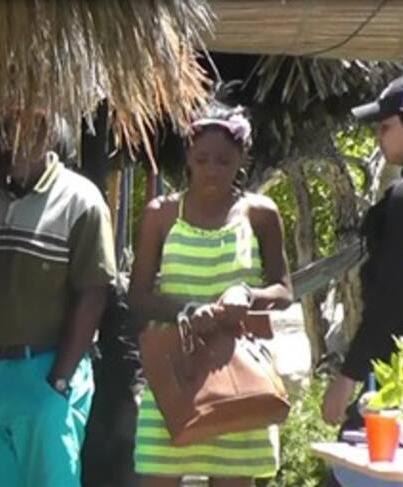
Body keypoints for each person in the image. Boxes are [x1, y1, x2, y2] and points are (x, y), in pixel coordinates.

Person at [0, 113, 117, 487]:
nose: (9, 136)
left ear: (46, 129)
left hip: (46, 372)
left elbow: (93, 295)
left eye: (24, 124)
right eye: (6, 125)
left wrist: (58, 382)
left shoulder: (81, 200)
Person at [127, 102, 293, 487]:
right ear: (188, 156)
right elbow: (137, 296)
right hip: (174, 373)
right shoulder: (161, 214)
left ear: (242, 159)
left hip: (238, 376)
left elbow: (284, 290)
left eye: (223, 160)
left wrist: (247, 295)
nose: (212, 170)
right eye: (202, 159)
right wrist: (186, 310)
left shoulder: (260, 214)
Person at [322, 75, 403, 432]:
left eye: (385, 126)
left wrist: (348, 376)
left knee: (359, 456)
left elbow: (394, 296)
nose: (378, 136)